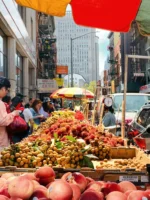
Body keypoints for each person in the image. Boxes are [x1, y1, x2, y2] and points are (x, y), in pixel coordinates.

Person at [0, 77, 20, 150]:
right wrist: (14, 113)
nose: (6, 92)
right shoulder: (0, 104)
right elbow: (3, 121)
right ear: (2, 88)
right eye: (6, 89)